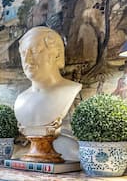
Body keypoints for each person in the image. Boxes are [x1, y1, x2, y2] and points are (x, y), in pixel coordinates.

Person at [13, 27, 82, 161]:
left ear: (56, 54)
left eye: (35, 51)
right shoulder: (21, 100)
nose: (27, 60)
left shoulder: (71, 90)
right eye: (23, 53)